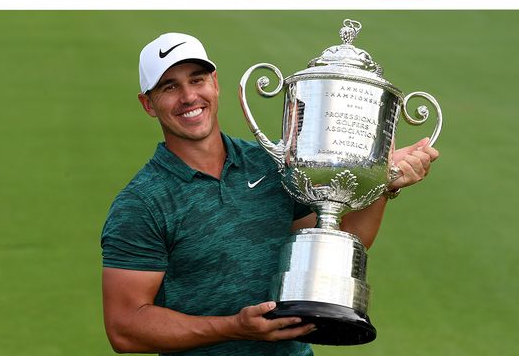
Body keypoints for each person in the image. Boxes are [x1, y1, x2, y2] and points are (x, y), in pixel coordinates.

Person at [101, 32, 439, 354]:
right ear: (148, 104)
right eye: (169, 87)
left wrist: (382, 183)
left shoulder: (271, 164)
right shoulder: (142, 203)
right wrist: (234, 326)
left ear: (215, 84)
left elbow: (341, 240)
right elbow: (125, 327)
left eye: (197, 79)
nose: (189, 97)